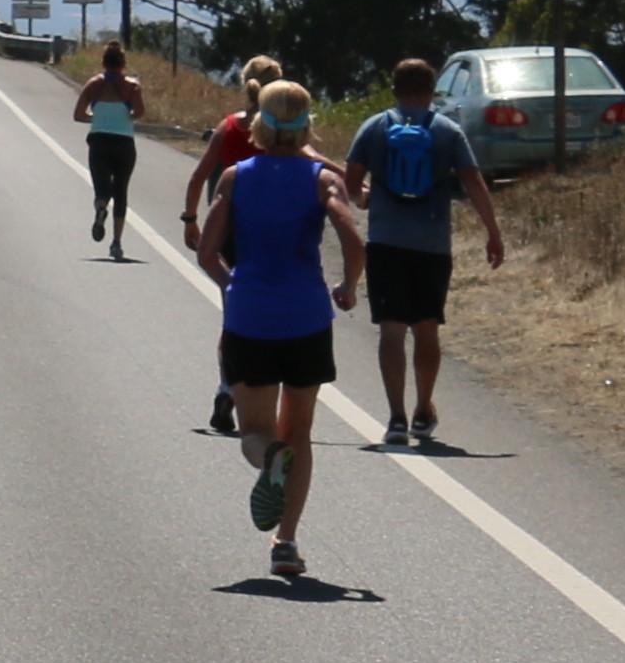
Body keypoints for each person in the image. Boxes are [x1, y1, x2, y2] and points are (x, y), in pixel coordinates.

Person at [189, 81, 360, 578]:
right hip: (307, 317)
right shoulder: (322, 178)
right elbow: (353, 236)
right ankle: (285, 541)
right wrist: (348, 284)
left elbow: (206, 251)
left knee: (256, 434)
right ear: (306, 124)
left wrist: (233, 284)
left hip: (251, 318)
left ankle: (271, 458)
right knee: (300, 433)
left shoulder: (236, 177)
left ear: (259, 123)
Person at [339, 54, 504, 449]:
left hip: (385, 242)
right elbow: (473, 181)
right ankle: (422, 408)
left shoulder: (374, 127)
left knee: (392, 329)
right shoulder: (447, 130)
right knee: (426, 328)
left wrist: (365, 201)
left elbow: (351, 180)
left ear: (394, 89)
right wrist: (493, 231)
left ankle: (395, 417)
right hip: (431, 244)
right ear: (432, 91)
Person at [180, 55, 281, 431]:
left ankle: (227, 387)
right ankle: (262, 393)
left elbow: (197, 177)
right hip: (272, 236)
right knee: (273, 316)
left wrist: (191, 220)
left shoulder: (229, 127)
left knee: (234, 314)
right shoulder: (281, 130)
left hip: (228, 235)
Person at [72, 41, 146, 252]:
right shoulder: (132, 86)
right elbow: (139, 113)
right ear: (123, 63)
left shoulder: (93, 84)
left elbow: (78, 114)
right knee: (121, 191)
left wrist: (97, 118)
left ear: (104, 62)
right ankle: (116, 242)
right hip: (124, 143)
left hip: (99, 141)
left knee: (102, 189)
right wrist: (124, 116)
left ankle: (101, 208)